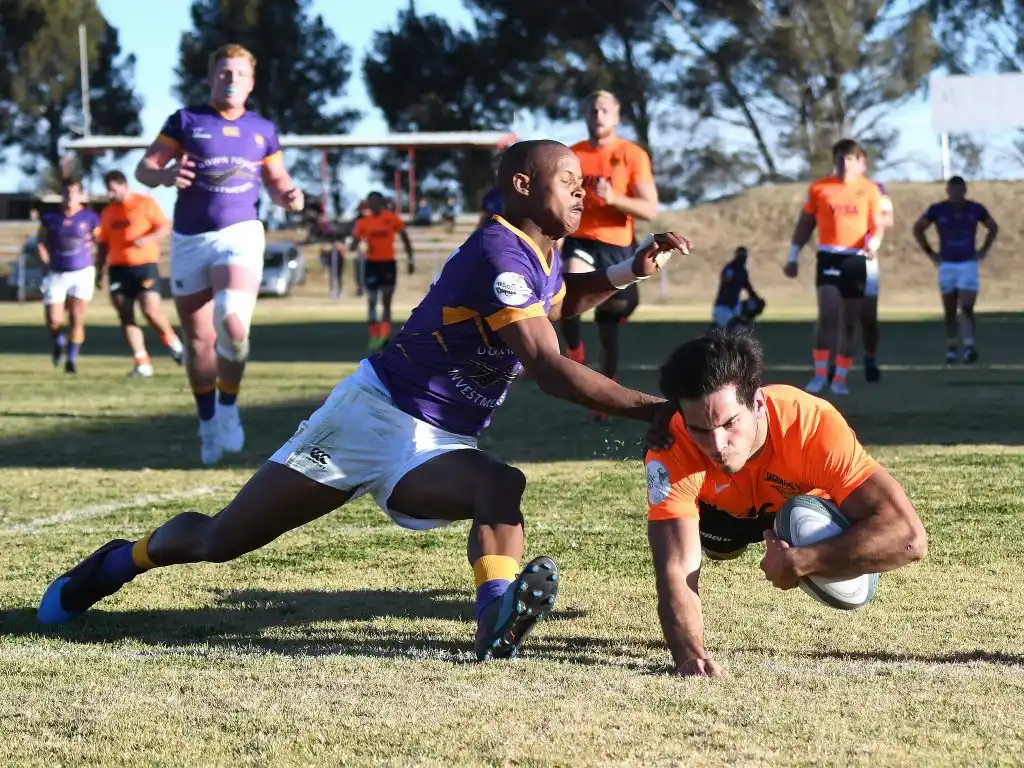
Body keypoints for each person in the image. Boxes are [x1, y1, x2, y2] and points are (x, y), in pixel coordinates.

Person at [38, 139, 692, 664]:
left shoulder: (538, 250)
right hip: (367, 417)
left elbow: (554, 304)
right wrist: (660, 411)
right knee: (220, 540)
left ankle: (495, 614)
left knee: (499, 485)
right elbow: (550, 367)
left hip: (435, 440)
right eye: (569, 179)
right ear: (523, 184)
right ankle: (117, 563)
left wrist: (629, 268)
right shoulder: (500, 252)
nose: (584, 190)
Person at [643, 329, 928, 678]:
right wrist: (690, 655)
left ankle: (799, 537)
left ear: (758, 404)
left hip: (792, 510)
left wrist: (802, 560)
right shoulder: (670, 444)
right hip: (716, 517)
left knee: (802, 518)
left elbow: (909, 537)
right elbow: (675, 570)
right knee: (712, 545)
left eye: (730, 423)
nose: (717, 444)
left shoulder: (812, 425)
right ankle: (723, 543)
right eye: (700, 429)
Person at [132, 43, 305, 465]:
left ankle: (229, 406)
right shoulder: (186, 120)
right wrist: (166, 173)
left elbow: (277, 180)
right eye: (224, 73)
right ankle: (208, 420)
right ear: (211, 78)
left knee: (232, 322)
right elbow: (144, 169)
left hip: (241, 233)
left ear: (251, 82)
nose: (232, 81)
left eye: (240, 75)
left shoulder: (262, 129)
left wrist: (290, 195)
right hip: (190, 240)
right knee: (200, 342)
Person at [562, 90, 659, 423]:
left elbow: (649, 208)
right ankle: (574, 350)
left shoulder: (632, 154)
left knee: (609, 326)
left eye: (604, 110)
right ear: (584, 114)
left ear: (616, 116)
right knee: (567, 291)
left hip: (618, 246)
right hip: (580, 240)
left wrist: (614, 197)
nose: (598, 115)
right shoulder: (571, 155)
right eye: (592, 109)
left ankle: (606, 394)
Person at [785, 139, 887, 395]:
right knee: (828, 314)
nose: (844, 163)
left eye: (850, 158)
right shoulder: (820, 188)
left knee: (850, 321)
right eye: (840, 158)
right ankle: (820, 374)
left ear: (858, 162)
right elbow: (805, 224)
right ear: (835, 160)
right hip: (829, 256)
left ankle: (839, 378)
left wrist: (873, 243)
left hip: (856, 258)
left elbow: (877, 224)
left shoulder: (870, 189)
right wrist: (793, 256)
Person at [95, 170, 184, 377]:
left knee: (150, 310)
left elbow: (164, 227)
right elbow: (103, 244)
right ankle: (142, 362)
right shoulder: (108, 212)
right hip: (118, 268)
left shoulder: (145, 203)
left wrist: (148, 239)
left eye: (113, 190)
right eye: (108, 190)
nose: (110, 194)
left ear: (124, 185)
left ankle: (173, 342)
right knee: (125, 314)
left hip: (143, 265)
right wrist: (99, 270)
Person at [912, 176, 999, 364]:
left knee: (966, 306)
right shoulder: (937, 209)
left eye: (960, 190)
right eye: (953, 190)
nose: (956, 194)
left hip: (968, 264)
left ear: (965, 190)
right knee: (949, 309)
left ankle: (969, 346)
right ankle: (951, 346)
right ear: (948, 191)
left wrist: (983, 250)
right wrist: (930, 253)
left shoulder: (976, 209)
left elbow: (993, 227)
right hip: (947, 265)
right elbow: (918, 228)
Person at [36, 177, 101, 374]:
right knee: (53, 320)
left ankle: (71, 360)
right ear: (61, 194)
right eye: (66, 192)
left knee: (76, 318)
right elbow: (40, 242)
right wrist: (45, 261)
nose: (70, 196)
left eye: (74, 192)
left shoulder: (90, 217)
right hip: (56, 273)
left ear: (80, 194)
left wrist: (97, 262)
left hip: (82, 273)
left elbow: (99, 241)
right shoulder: (50, 217)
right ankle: (59, 340)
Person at [350, 191, 415, 350]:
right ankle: (374, 336)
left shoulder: (391, 218)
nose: (372, 205)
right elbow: (354, 243)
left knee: (386, 301)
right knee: (372, 300)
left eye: (375, 201)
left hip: (388, 264)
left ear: (381, 202)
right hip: (371, 264)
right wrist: (355, 243)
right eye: (370, 202)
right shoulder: (363, 222)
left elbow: (404, 236)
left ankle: (385, 337)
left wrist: (410, 258)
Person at [711, 247, 764, 330]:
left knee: (754, 305)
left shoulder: (742, 272)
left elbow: (749, 289)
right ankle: (721, 327)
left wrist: (758, 301)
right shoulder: (730, 268)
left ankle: (742, 322)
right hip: (723, 307)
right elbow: (725, 281)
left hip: (734, 305)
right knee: (737, 331)